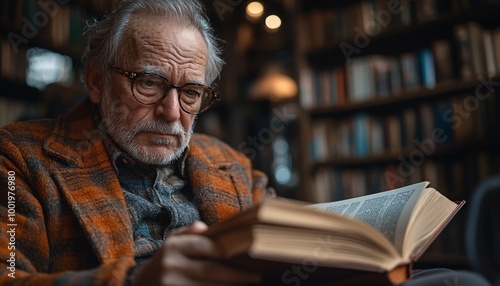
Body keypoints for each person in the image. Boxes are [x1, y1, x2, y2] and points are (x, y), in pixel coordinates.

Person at [0, 0, 491, 285]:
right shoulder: (18, 159)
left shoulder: (228, 163)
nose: (172, 112)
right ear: (94, 80)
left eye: (190, 92)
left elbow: (288, 253)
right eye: (147, 83)